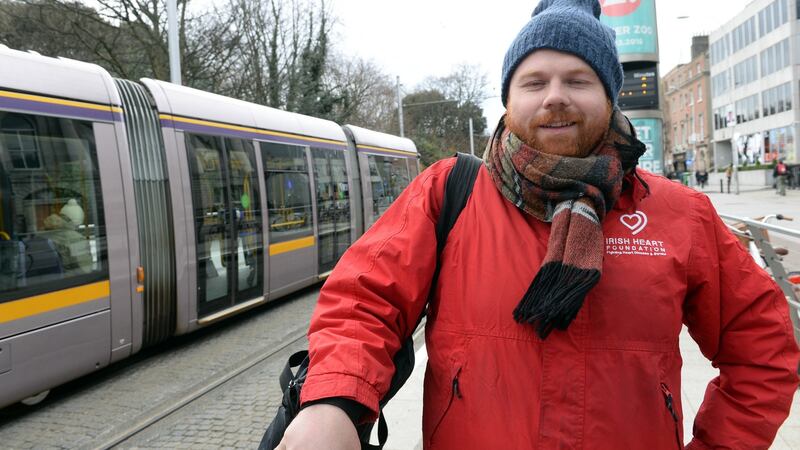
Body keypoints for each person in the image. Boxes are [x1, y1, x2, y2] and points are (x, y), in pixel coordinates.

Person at [278, 1, 800, 449]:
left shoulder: (681, 215)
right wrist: (333, 400)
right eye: (534, 81)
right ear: (508, 100)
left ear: (610, 97)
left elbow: (764, 349)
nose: (554, 96)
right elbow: (364, 300)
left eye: (578, 80)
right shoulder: (447, 193)